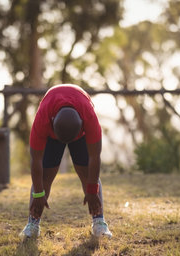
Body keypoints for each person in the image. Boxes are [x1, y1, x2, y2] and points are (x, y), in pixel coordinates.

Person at [20, 84, 112, 239]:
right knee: (44, 176)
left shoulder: (89, 116)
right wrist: (38, 194)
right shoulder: (42, 118)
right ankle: (33, 223)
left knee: (87, 173)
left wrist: (92, 190)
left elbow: (95, 157)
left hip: (79, 133)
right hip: (52, 134)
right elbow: (36, 160)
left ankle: (99, 222)